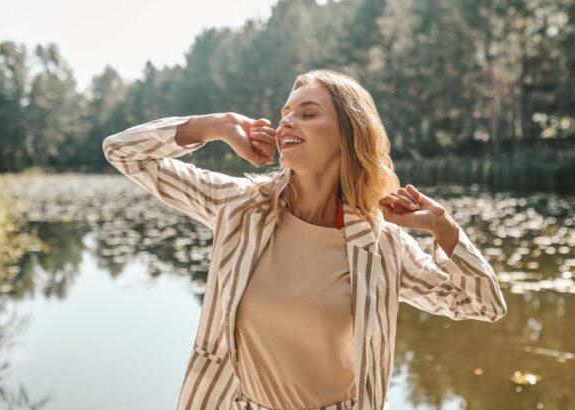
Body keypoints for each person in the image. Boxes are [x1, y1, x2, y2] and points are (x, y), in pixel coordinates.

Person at [102, 69, 508, 410]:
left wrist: (444, 229)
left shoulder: (380, 247)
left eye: (308, 113)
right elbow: (123, 152)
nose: (286, 124)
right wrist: (218, 125)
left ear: (349, 134)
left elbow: (483, 305)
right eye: (286, 114)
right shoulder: (240, 209)